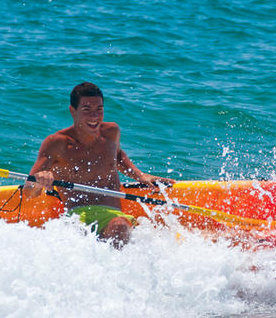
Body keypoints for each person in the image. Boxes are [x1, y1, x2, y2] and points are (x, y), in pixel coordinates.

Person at [25, 82, 174, 247]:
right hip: (77, 217)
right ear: (72, 111)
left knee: (127, 228)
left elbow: (117, 157)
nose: (94, 116)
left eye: (99, 110)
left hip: (113, 217)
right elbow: (29, 191)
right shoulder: (57, 143)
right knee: (91, 233)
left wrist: (140, 176)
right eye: (87, 110)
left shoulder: (111, 132)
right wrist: (40, 181)